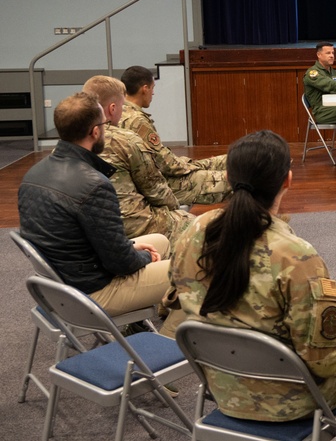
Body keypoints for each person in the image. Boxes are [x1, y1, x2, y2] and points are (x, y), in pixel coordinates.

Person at [169, 131, 336, 441]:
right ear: (288, 179)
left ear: (229, 177)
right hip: (295, 401)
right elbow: (327, 362)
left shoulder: (195, 230)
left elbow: (174, 296)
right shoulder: (295, 255)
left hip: (224, 387)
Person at [18, 92, 179, 319]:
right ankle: (178, 342)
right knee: (196, 271)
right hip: (92, 293)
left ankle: (142, 321)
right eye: (104, 124)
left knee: (160, 241)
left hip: (62, 283)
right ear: (95, 132)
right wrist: (142, 258)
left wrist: (131, 250)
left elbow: (97, 242)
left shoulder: (35, 172)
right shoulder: (93, 185)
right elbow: (120, 263)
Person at [83, 75, 195, 243]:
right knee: (204, 228)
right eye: (122, 106)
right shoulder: (127, 140)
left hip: (90, 224)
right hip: (132, 222)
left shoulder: (71, 142)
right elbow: (156, 189)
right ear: (112, 109)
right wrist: (175, 210)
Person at [120, 65, 232, 204]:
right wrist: (194, 166)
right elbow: (167, 165)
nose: (153, 94)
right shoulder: (137, 121)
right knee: (236, 179)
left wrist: (191, 164)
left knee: (229, 160)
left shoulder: (120, 113)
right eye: (152, 88)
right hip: (165, 184)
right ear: (145, 89)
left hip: (158, 177)